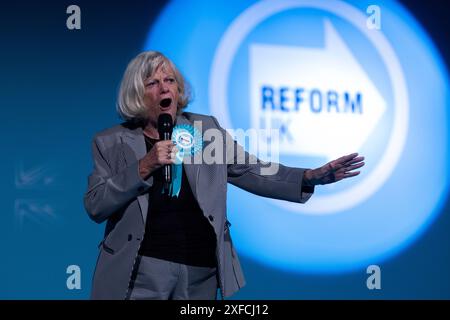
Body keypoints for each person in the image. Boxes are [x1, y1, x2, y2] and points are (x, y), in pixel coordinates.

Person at [84, 51, 365, 300]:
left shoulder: (205, 130)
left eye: (169, 80)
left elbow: (250, 169)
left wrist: (307, 177)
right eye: (153, 83)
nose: (163, 89)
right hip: (142, 270)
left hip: (200, 271)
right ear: (137, 94)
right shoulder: (111, 142)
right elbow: (96, 205)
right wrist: (143, 166)